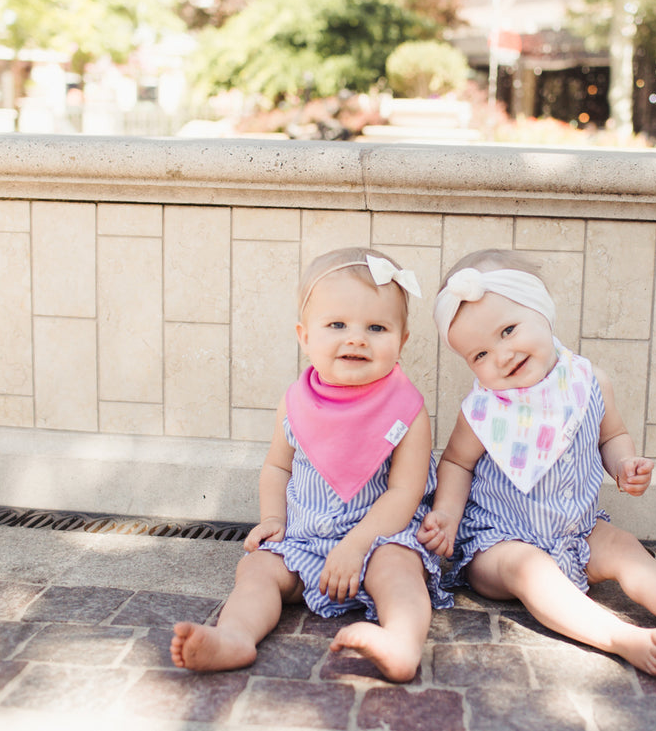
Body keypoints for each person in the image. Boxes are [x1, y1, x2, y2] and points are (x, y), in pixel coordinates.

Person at [417, 249, 656, 677]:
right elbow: (457, 464)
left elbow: (612, 435)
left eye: (509, 330)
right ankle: (616, 635)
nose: (501, 355)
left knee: (624, 546)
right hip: (499, 542)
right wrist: (446, 515)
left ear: (543, 312)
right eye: (479, 355)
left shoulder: (588, 381)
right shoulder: (482, 410)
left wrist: (624, 464)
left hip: (578, 529)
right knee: (528, 568)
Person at [172, 247, 452, 682]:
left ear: (402, 340)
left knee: (401, 571)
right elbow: (278, 467)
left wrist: (357, 546)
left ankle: (402, 642)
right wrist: (271, 519)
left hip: (377, 541)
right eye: (337, 324)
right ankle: (234, 636)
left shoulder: (407, 410)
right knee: (256, 570)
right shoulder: (294, 403)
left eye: (376, 327)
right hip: (305, 543)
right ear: (305, 336)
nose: (356, 337)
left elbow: (405, 491)